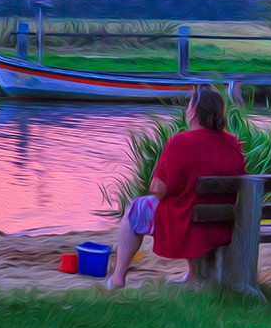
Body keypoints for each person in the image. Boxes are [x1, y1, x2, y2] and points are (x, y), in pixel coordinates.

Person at [106, 86, 247, 289]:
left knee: (135, 209)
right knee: (189, 200)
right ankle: (192, 273)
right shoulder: (233, 144)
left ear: (194, 111)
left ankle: (118, 278)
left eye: (189, 105)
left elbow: (158, 189)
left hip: (188, 226)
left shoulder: (180, 142)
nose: (187, 109)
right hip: (223, 225)